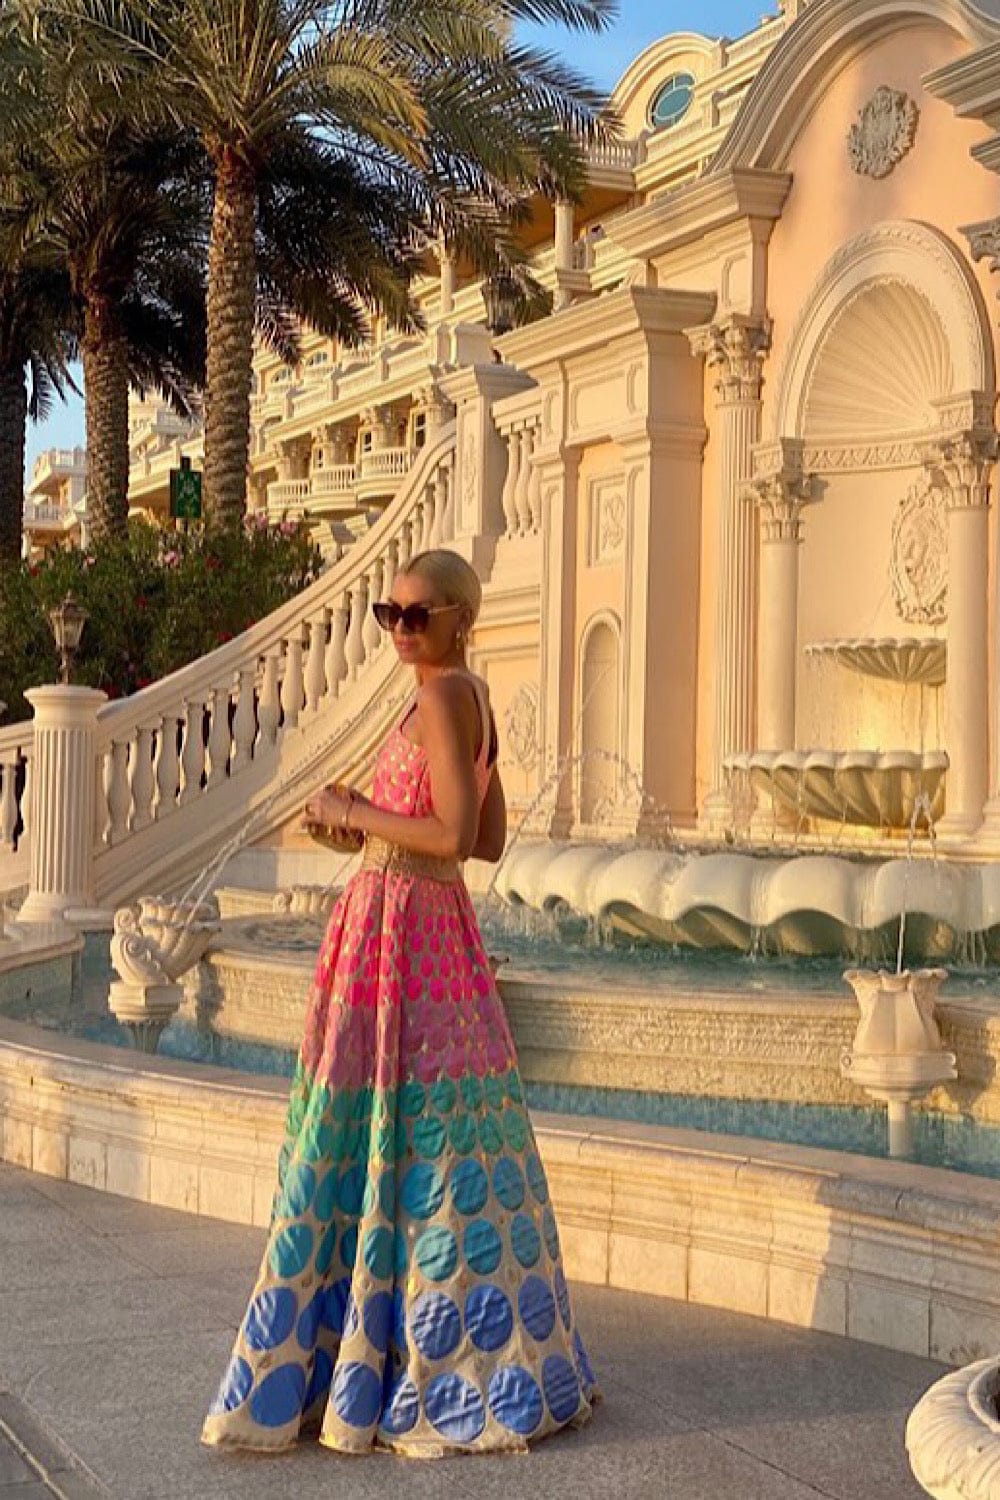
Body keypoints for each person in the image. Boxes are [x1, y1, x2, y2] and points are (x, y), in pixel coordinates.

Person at [201, 547, 598, 1458]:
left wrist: (355, 810)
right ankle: (454, 1347)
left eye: (418, 614)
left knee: (377, 1135)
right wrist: (360, 828)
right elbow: (485, 838)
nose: (400, 629)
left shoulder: (442, 697)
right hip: (431, 931)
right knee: (426, 1136)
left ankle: (382, 1363)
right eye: (391, 613)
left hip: (404, 935)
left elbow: (453, 835)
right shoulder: (473, 697)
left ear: (461, 617)